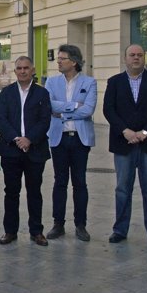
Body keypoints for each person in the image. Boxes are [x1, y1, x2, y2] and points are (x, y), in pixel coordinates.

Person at [103, 44, 147, 246]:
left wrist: (145, 132)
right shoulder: (114, 82)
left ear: (144, 58)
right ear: (125, 58)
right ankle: (120, 230)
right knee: (122, 188)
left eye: (140, 55)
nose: (136, 58)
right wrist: (126, 131)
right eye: (132, 55)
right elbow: (109, 110)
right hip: (123, 143)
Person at [0, 56, 52, 246]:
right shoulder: (6, 93)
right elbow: (1, 119)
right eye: (19, 68)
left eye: (26, 68)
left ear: (32, 70)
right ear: (15, 71)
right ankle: (10, 231)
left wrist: (29, 139)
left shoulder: (42, 94)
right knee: (11, 192)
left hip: (35, 150)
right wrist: (16, 139)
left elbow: (45, 120)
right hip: (11, 150)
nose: (22, 71)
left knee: (34, 192)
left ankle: (36, 231)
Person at [44, 45, 97, 242]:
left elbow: (89, 110)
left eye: (62, 58)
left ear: (73, 61)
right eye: (58, 58)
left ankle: (80, 224)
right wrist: (75, 106)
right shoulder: (51, 81)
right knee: (60, 182)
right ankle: (58, 224)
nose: (58, 61)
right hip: (59, 137)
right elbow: (49, 105)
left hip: (80, 139)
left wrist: (62, 112)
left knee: (80, 182)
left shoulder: (89, 82)